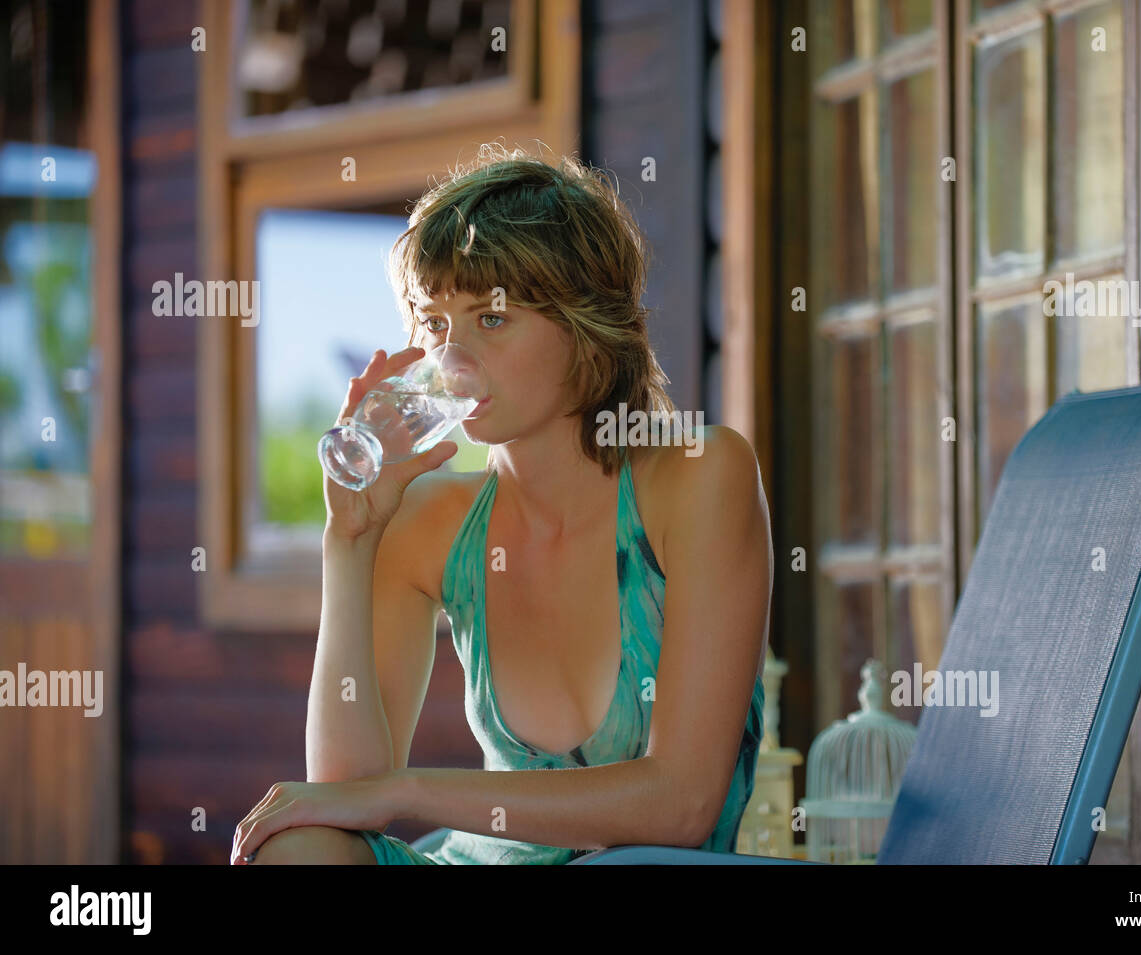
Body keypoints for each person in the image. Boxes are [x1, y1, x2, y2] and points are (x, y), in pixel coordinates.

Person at [231, 144, 771, 865]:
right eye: (434, 323)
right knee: (301, 850)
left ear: (586, 327)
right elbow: (346, 798)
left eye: (489, 319)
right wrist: (350, 539)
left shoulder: (701, 477)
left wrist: (409, 792)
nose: (450, 358)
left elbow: (683, 802)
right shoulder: (428, 519)